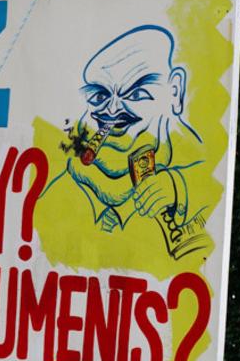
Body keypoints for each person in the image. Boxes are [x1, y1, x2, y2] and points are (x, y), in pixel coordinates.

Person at [65, 25, 209, 260]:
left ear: (175, 92)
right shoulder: (70, 182)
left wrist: (178, 188)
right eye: (100, 96)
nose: (112, 110)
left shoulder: (199, 179)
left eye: (136, 94)